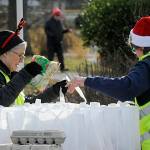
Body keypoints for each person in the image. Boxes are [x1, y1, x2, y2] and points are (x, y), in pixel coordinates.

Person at [68, 16, 150, 150]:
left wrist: (86, 80)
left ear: (143, 46)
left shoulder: (146, 66)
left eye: (134, 49)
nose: (135, 54)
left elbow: (125, 88)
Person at [0, 19, 68, 107]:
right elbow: (2, 101)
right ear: (5, 53)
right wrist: (25, 74)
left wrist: (54, 91)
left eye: (23, 56)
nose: (21, 60)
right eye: (19, 55)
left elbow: (26, 105)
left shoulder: (9, 76)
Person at [44, 7, 71, 72]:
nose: (58, 16)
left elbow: (61, 31)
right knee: (50, 57)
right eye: (57, 15)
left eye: (59, 15)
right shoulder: (48, 22)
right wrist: (52, 35)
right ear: (54, 15)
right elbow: (46, 30)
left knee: (60, 56)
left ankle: (62, 68)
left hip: (58, 42)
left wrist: (67, 30)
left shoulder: (59, 22)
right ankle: (48, 69)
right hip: (51, 43)